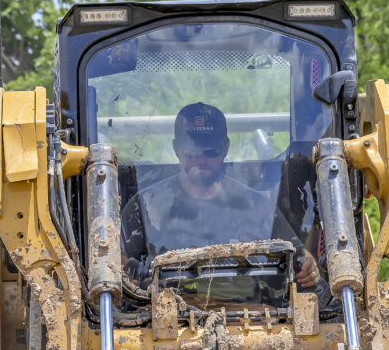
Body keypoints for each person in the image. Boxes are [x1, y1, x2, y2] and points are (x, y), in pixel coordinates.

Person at [121, 101, 319, 288]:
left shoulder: (256, 206)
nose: (201, 159)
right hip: (160, 317)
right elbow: (115, 263)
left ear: (225, 148)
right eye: (192, 152)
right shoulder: (144, 207)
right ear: (176, 149)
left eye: (211, 151)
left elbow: (297, 255)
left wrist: (308, 268)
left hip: (251, 317)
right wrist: (125, 275)